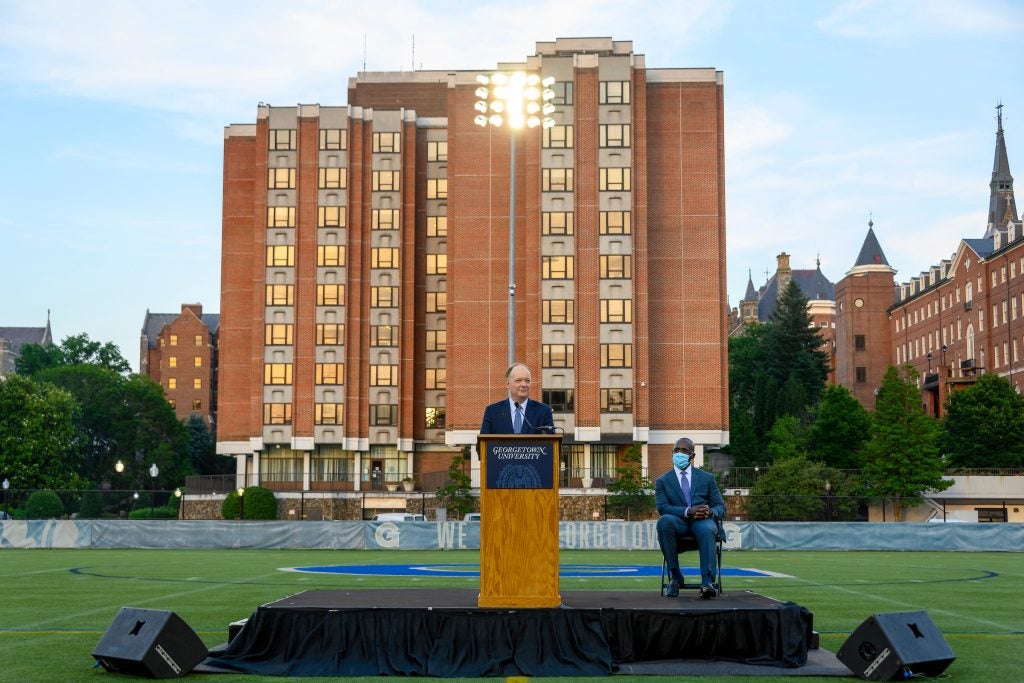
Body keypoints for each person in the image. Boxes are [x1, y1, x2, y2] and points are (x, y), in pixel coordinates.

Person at [655, 437, 725, 599]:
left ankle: (707, 583)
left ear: (692, 456)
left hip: (702, 521)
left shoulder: (707, 478)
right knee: (664, 521)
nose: (679, 453)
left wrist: (709, 512)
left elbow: (720, 506)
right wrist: (689, 511)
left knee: (707, 528)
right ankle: (675, 577)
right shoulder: (663, 481)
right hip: (679, 523)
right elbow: (663, 508)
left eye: (684, 451)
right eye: (676, 451)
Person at [480, 363, 554, 434]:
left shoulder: (544, 411)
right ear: (507, 384)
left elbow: (552, 444)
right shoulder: (492, 412)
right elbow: (483, 444)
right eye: (518, 380)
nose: (524, 384)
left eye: (527, 380)